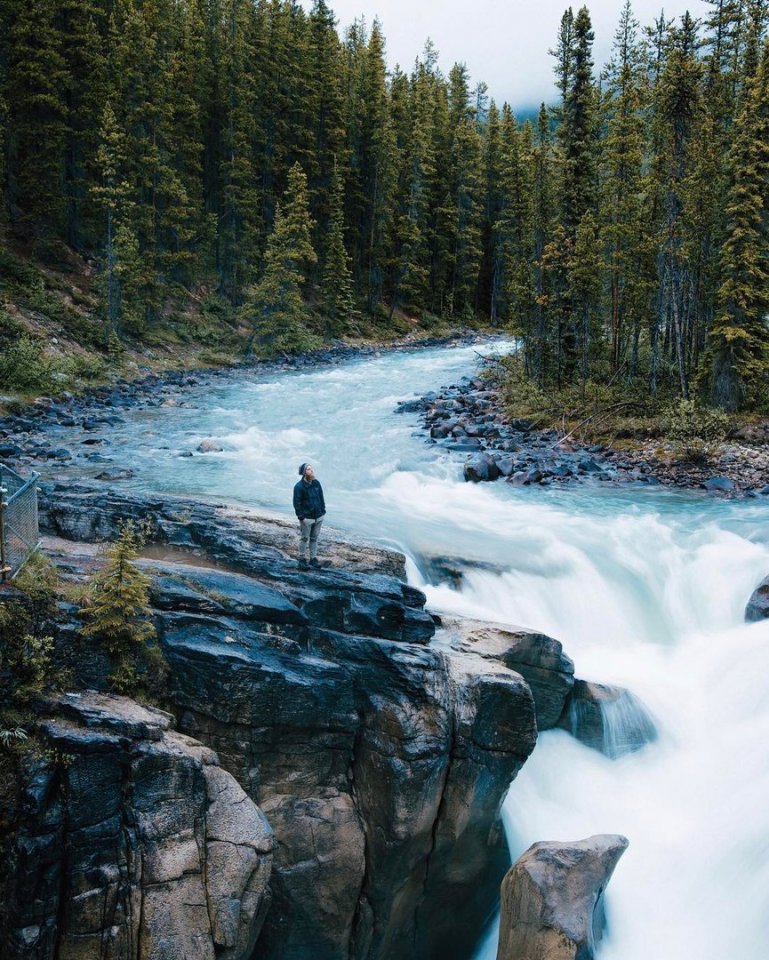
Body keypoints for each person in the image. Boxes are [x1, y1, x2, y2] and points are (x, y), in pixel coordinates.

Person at [293, 462, 326, 569]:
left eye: (311, 469)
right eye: (308, 469)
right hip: (307, 518)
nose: (311, 471)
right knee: (304, 538)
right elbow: (296, 503)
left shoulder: (316, 483)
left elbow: (321, 497)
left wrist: (323, 510)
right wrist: (301, 516)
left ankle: (313, 559)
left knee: (314, 539)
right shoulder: (299, 486)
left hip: (319, 516)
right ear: (303, 472)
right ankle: (302, 559)